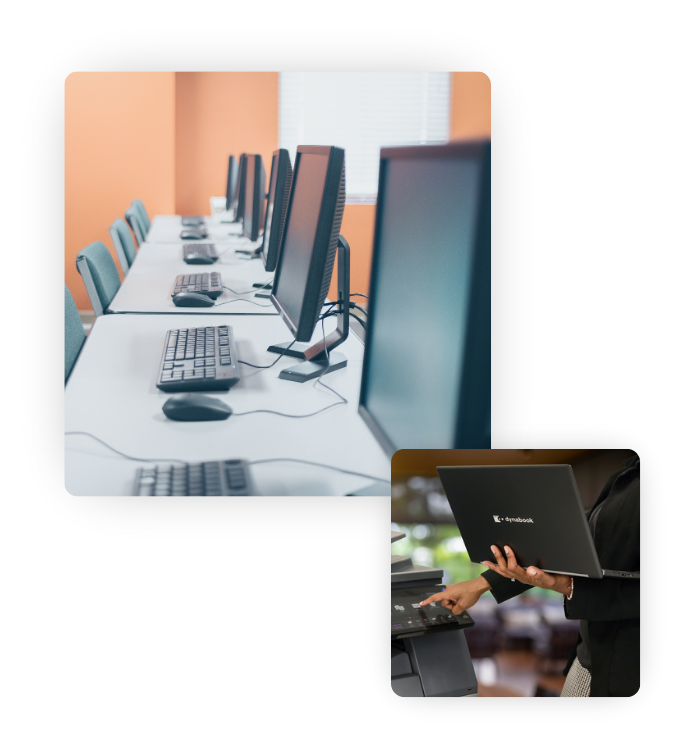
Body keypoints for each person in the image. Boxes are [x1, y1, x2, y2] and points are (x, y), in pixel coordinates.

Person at [420, 453, 640, 697]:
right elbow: (568, 546)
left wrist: (570, 586)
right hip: (592, 655)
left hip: (626, 667)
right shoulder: (626, 476)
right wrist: (479, 584)